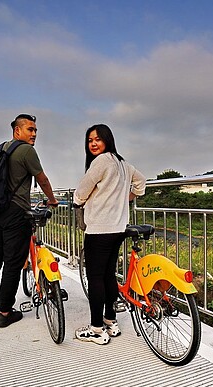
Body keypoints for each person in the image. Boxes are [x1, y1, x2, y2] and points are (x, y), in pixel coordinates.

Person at [0, 114, 58, 328]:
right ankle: (4, 312)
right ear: (17, 131)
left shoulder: (2, 148)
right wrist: (52, 200)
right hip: (15, 213)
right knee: (12, 263)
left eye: (35, 131)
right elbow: (42, 179)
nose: (34, 134)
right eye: (30, 129)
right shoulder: (26, 151)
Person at [73, 124, 146, 344]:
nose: (93, 144)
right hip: (118, 228)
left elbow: (81, 191)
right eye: (89, 140)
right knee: (108, 275)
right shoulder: (123, 164)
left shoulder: (102, 161)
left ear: (107, 140)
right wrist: (123, 199)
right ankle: (110, 321)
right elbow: (141, 185)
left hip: (100, 229)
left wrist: (78, 203)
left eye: (97, 139)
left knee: (95, 277)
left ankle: (96, 329)